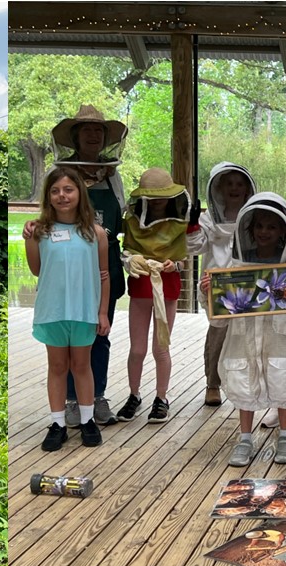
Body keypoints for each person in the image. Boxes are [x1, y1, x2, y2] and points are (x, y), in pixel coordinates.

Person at [213, 194, 286, 467]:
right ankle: (244, 438)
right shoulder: (236, 266)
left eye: (271, 226)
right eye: (260, 226)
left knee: (284, 378)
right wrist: (209, 292)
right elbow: (218, 317)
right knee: (244, 378)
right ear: (250, 229)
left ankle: (285, 436)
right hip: (244, 336)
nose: (264, 231)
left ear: (283, 232)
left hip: (283, 335)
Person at [48, 106, 128, 424]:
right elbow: (49, 218)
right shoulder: (61, 175)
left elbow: (122, 216)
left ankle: (96, 399)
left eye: (99, 131)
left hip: (105, 263)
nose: (93, 136)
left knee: (100, 332)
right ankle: (70, 401)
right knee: (67, 335)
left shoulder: (112, 175)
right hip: (69, 265)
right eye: (87, 131)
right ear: (76, 137)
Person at [24, 168, 109, 452]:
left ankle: (87, 420)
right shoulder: (41, 232)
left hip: (84, 310)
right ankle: (58, 423)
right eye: (55, 191)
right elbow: (37, 270)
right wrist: (29, 238)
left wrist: (102, 312)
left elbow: (104, 275)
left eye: (68, 190)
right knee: (58, 366)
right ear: (48, 196)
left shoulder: (95, 233)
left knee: (82, 365)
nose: (62, 195)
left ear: (79, 194)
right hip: (53, 309)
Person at [117, 168, 190, 423]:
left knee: (161, 347)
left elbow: (184, 260)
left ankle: (161, 398)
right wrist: (130, 260)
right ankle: (133, 395)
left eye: (162, 196)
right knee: (137, 349)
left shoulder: (179, 223)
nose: (158, 201)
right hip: (140, 288)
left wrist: (173, 265)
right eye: (153, 196)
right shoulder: (132, 221)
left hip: (166, 287)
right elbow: (125, 251)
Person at [190, 162, 257, 408]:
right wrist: (191, 224)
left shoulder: (253, 215)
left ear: (247, 187)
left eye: (239, 184)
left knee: (248, 334)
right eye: (229, 184)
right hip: (214, 285)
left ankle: (245, 383)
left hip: (247, 283)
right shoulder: (209, 219)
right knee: (218, 333)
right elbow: (195, 247)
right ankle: (213, 384)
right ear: (219, 187)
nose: (234, 188)